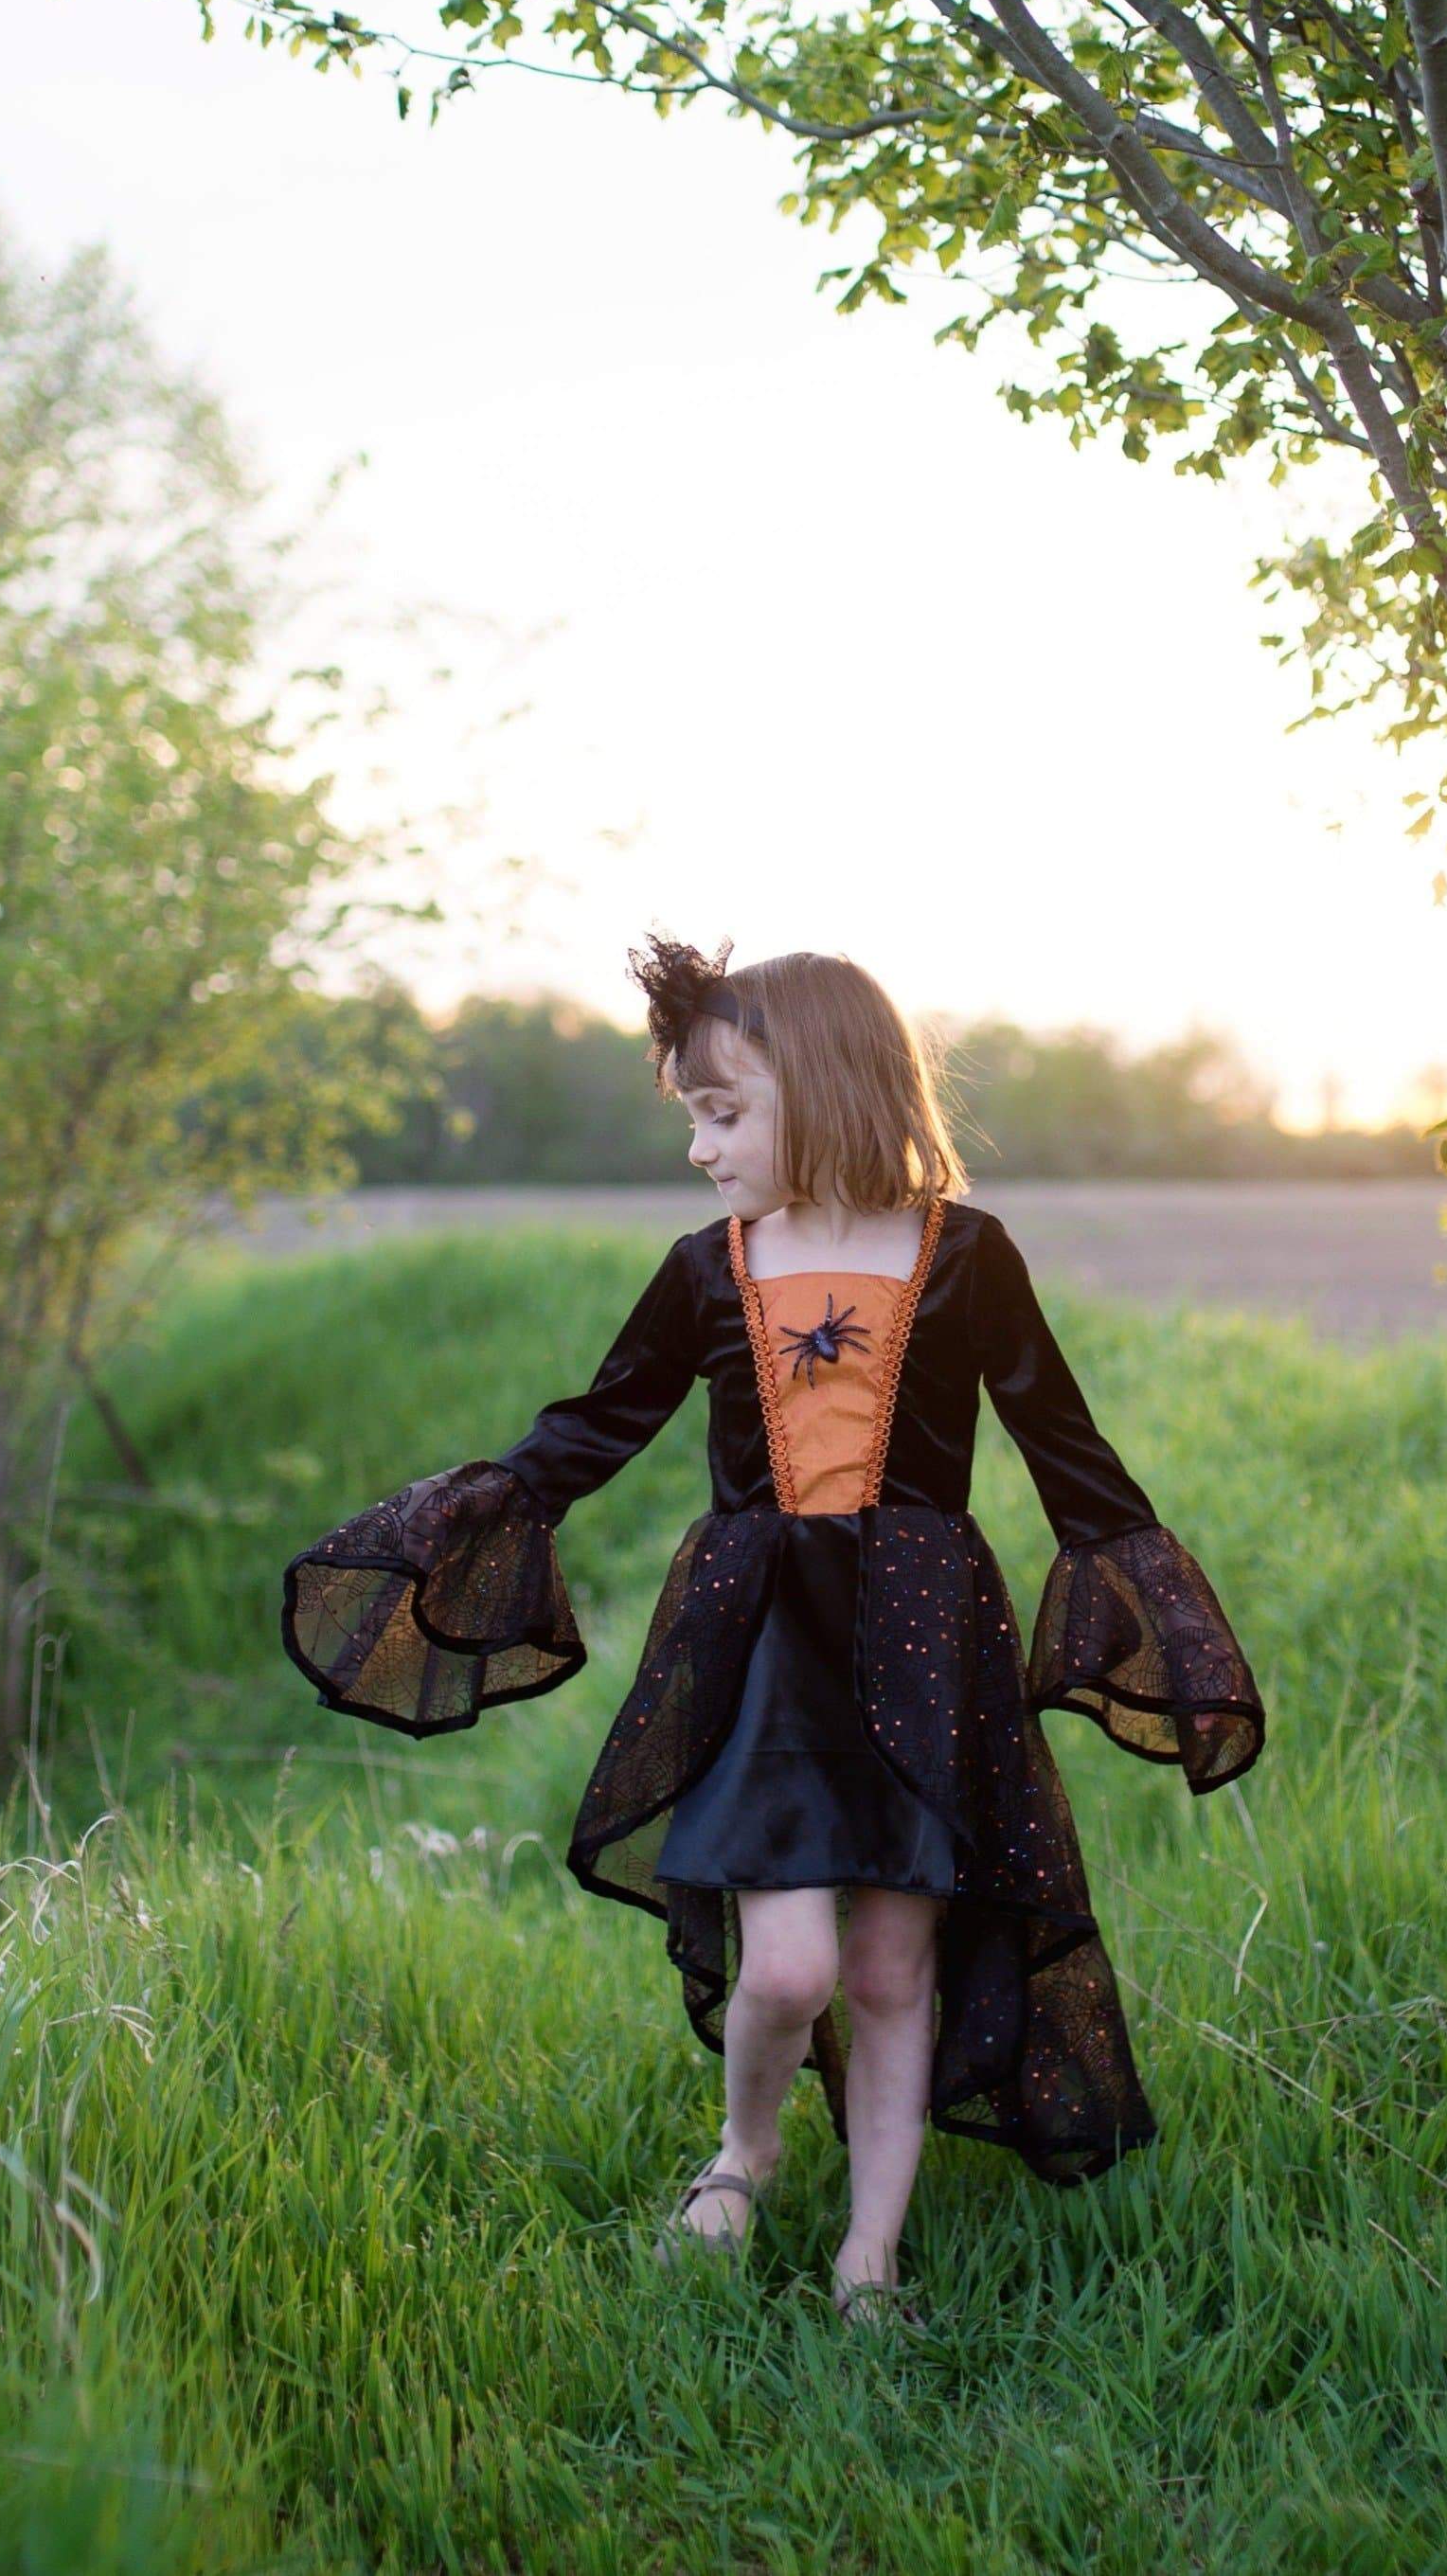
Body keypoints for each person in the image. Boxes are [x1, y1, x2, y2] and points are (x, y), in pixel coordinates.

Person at [281, 936, 1265, 2327]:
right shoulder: (708, 1269)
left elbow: (1066, 1446)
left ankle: (871, 2250)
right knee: (791, 1965)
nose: (698, 1145)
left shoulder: (965, 1256)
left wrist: (1164, 1622)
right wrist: (460, 1519)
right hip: (764, 1651)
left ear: (829, 1088)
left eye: (721, 1111)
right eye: (692, 1112)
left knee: (884, 1966)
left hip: (928, 1649)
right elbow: (594, 1422)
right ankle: (746, 2146)